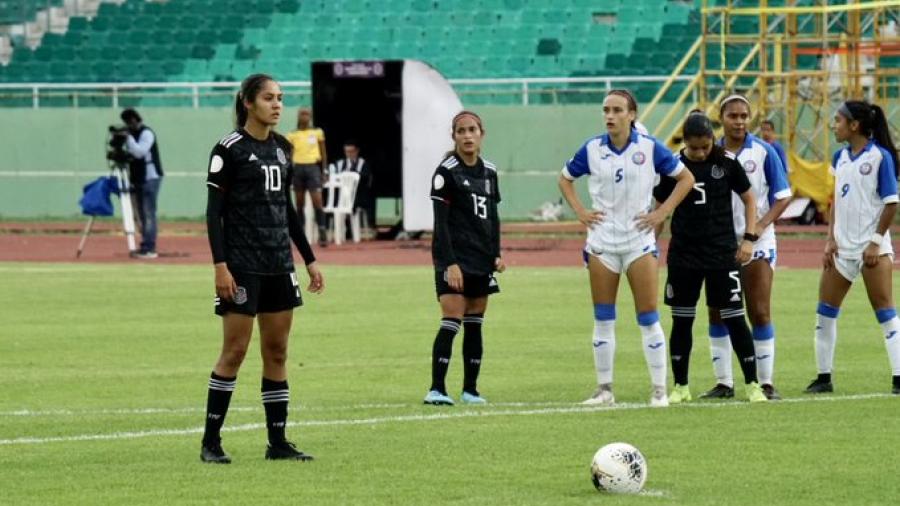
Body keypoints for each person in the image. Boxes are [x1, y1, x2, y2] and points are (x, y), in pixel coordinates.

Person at [200, 74, 325, 464]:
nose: (277, 105)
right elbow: (213, 213)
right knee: (235, 351)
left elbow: (285, 209)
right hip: (242, 265)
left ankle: (278, 443)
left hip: (278, 264)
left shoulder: (284, 148)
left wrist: (309, 257)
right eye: (269, 98)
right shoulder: (229, 148)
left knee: (278, 350)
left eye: (281, 98)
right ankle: (211, 442)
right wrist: (221, 266)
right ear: (248, 102)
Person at [558, 89, 695, 407]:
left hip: (638, 243)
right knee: (603, 317)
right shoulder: (592, 149)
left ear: (632, 115)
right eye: (606, 109)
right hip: (602, 242)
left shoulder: (649, 148)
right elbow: (565, 179)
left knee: (648, 317)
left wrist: (662, 213)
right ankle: (604, 390)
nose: (609, 115)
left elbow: (685, 179)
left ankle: (659, 390)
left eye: (617, 110)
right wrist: (580, 211)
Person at [654, 112, 768, 404]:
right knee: (682, 321)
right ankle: (681, 386)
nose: (702, 152)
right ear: (685, 143)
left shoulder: (726, 161)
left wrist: (749, 238)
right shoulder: (672, 167)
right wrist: (651, 242)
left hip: (721, 253)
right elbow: (660, 207)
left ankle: (753, 384)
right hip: (684, 255)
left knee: (735, 319)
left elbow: (750, 198)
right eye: (695, 148)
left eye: (706, 146)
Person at [805, 100, 900, 395]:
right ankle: (824, 377)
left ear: (854, 125)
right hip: (842, 250)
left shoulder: (880, 157)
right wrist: (830, 239)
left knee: (885, 312)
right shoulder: (840, 157)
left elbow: (891, 203)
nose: (834, 126)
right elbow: (836, 200)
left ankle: (899, 377)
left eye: (838, 121)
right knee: (824, 313)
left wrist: (874, 242)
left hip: (872, 251)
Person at [701, 95, 791, 401]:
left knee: (759, 310)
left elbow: (782, 196)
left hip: (756, 241)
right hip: (719, 243)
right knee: (717, 312)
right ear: (721, 118)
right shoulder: (709, 152)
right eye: (733, 116)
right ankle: (724, 383)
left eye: (744, 116)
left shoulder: (764, 152)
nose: (739, 121)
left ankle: (765, 383)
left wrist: (761, 226)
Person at [424, 110, 504, 406]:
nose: (467, 136)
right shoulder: (446, 171)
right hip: (454, 257)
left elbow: (493, 217)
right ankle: (436, 389)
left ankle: (471, 390)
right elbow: (440, 223)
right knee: (451, 318)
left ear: (481, 133)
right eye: (461, 131)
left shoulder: (490, 172)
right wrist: (449, 263)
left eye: (472, 130)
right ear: (454, 136)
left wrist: (496, 254)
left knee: (475, 321)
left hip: (482, 259)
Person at [121, 108, 163, 259]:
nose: (128, 125)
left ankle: (149, 247)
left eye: (129, 121)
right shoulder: (133, 134)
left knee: (148, 213)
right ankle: (145, 244)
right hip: (138, 178)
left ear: (134, 119)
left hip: (150, 177)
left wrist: (128, 139)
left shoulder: (146, 133)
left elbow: (140, 152)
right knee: (141, 214)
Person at [286, 108, 328, 246]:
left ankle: (322, 231)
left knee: (317, 201)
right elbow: (289, 155)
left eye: (307, 114)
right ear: (298, 116)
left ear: (310, 116)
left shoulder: (317, 132)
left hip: (313, 168)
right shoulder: (292, 134)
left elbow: (323, 152)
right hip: (298, 168)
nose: (305, 117)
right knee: (299, 203)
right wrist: (288, 171)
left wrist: (324, 170)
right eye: (302, 114)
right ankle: (300, 233)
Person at [328, 139, 375, 236]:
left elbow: (366, 178)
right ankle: (339, 230)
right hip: (342, 197)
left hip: (358, 196)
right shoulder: (339, 164)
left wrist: (352, 175)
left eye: (351, 151)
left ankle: (353, 228)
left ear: (357, 151)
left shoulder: (363, 163)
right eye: (347, 152)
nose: (349, 154)